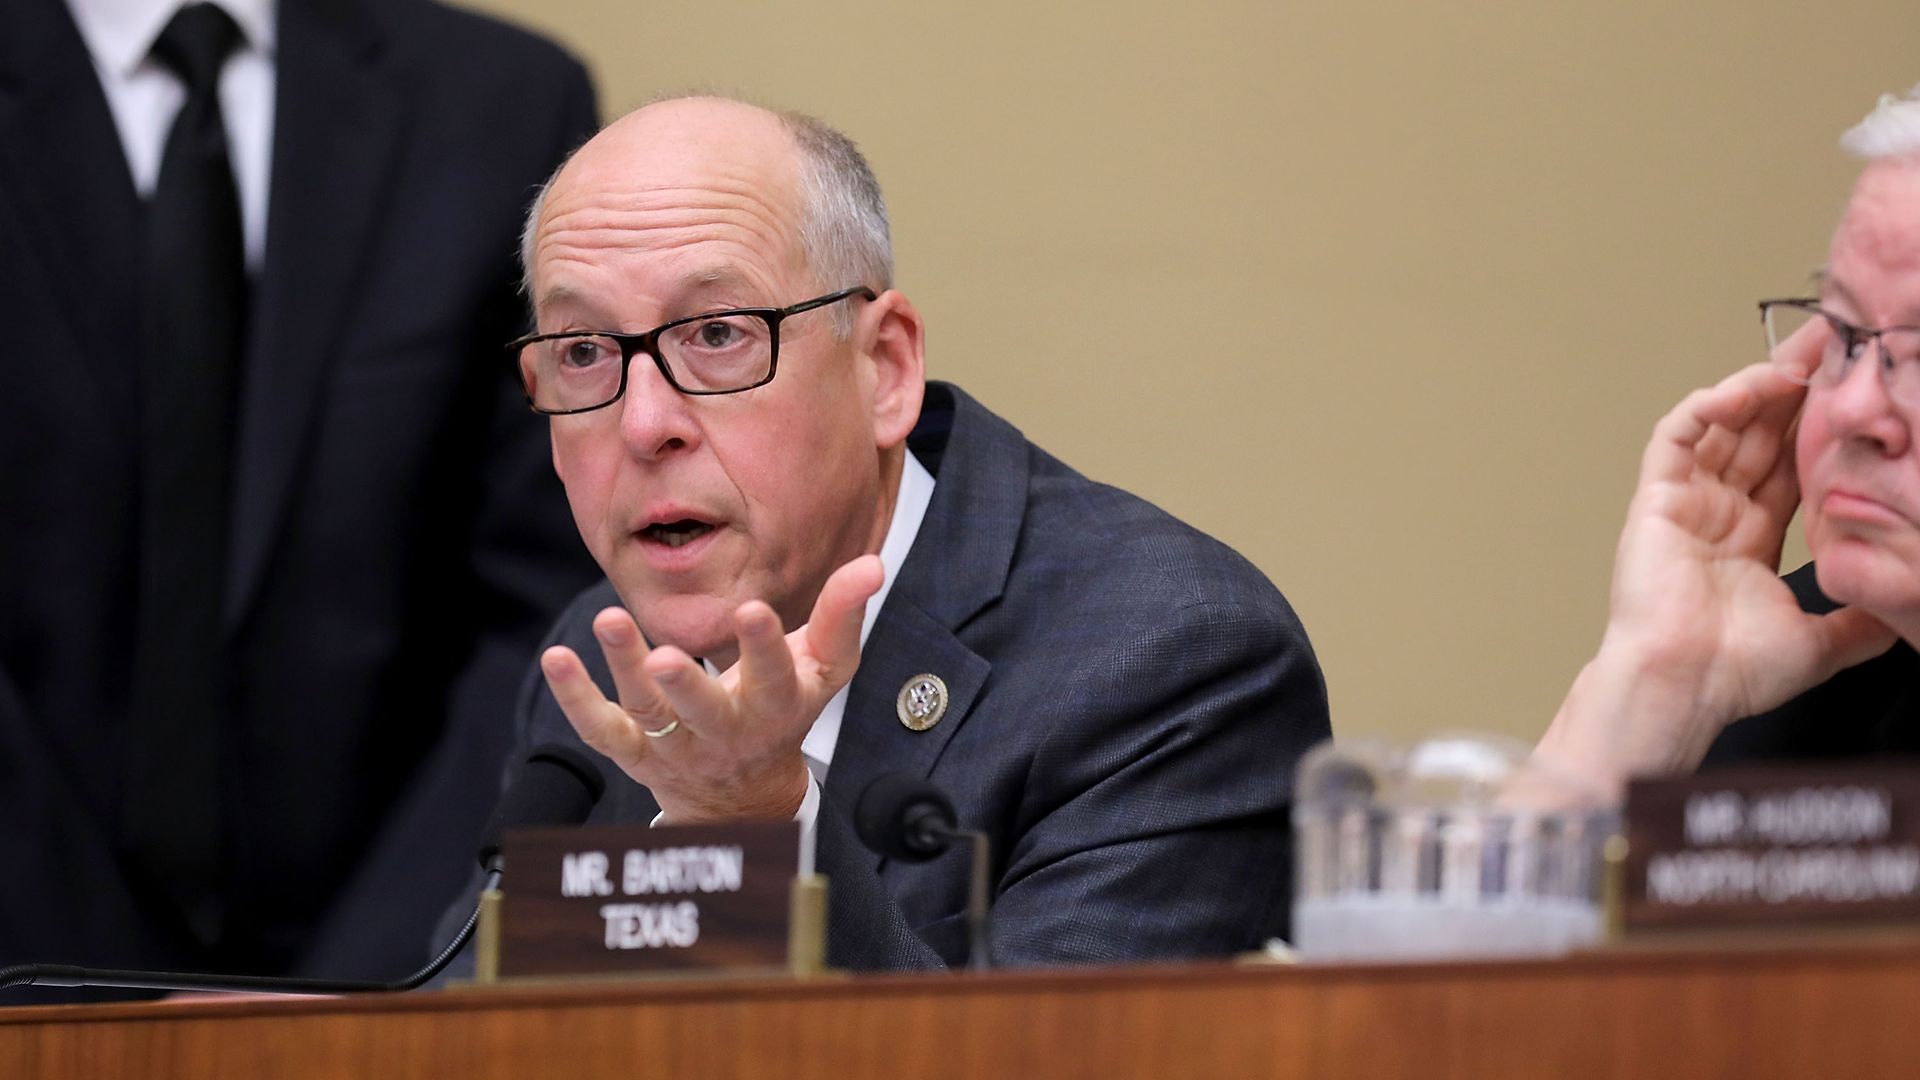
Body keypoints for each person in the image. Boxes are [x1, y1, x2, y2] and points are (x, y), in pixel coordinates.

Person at [491, 96, 1330, 969]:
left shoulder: (1170, 660)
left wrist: (756, 823)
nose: (642, 424)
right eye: (582, 351)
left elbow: (1045, 1045)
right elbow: (479, 1012)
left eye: (716, 333)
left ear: (885, 368)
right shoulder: (599, 657)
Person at [0, 0, 600, 1000]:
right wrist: (98, 1007)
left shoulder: (500, 103)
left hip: (389, 971)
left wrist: (356, 991)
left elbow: (548, 599)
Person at [1535, 84, 1920, 791]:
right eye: (1843, 335)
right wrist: (1657, 676)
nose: (1851, 409)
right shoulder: (1796, 690)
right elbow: (1515, 869)